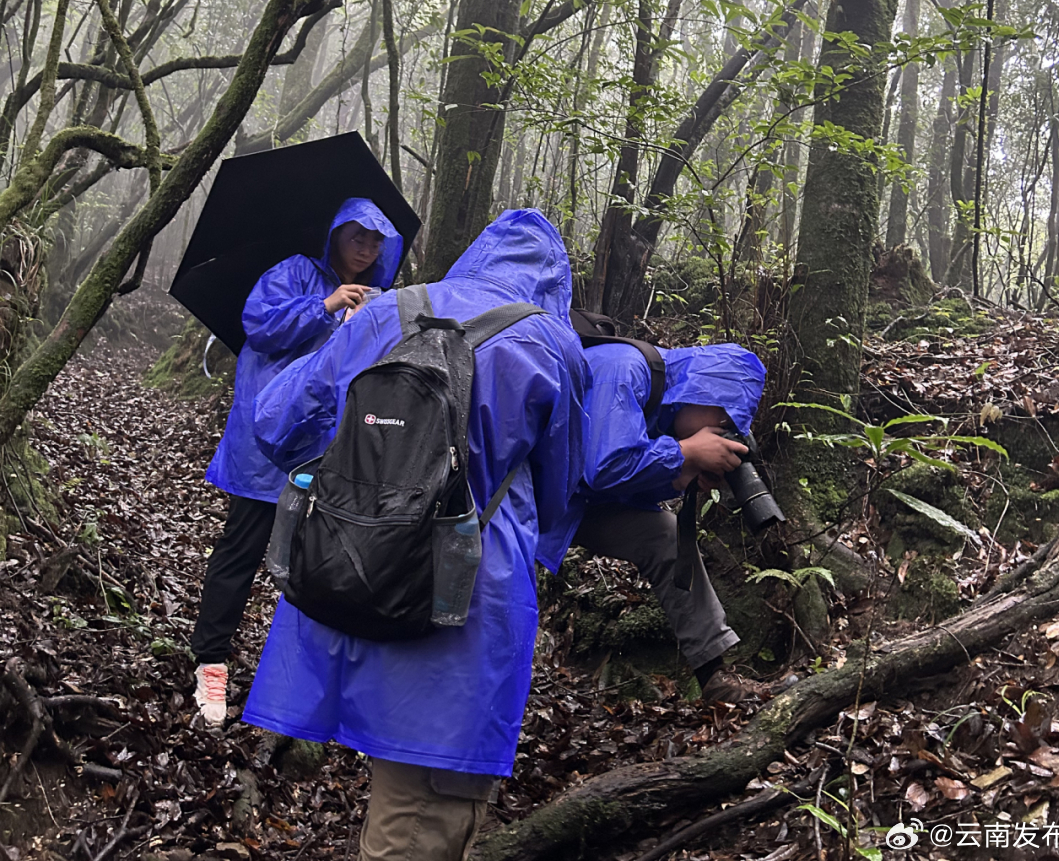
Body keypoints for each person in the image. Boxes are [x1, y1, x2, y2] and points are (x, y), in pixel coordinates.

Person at [244, 208, 588, 861]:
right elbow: (561, 493)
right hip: (463, 600)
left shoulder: (385, 311)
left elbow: (276, 420)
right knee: (426, 813)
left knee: (400, 803)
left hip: (347, 569)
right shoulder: (554, 347)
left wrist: (368, 469)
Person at [192, 197, 402, 727]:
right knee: (242, 549)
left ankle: (300, 680)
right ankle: (210, 662)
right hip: (267, 443)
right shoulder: (294, 273)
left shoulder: (376, 298)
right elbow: (258, 327)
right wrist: (326, 305)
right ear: (334, 234)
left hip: (329, 451)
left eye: (376, 241)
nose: (366, 248)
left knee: (320, 562)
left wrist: (364, 324)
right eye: (358, 236)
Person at [575, 341, 793, 703]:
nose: (721, 431)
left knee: (664, 535)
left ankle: (715, 679)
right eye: (723, 420)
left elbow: (616, 488)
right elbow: (604, 468)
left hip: (562, 501)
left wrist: (678, 477)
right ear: (700, 389)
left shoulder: (664, 406)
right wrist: (686, 453)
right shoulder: (623, 369)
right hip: (512, 500)